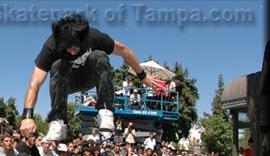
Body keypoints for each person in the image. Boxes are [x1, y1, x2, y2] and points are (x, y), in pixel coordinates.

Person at [19, 13, 165, 138]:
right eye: (68, 49)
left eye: (76, 47)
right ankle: (58, 121)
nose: (72, 52)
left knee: (99, 55)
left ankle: (106, 111)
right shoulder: (51, 46)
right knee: (58, 64)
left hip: (90, 78)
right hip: (67, 82)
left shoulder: (93, 36)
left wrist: (143, 76)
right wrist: (27, 117)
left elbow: (124, 51)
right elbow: (35, 82)